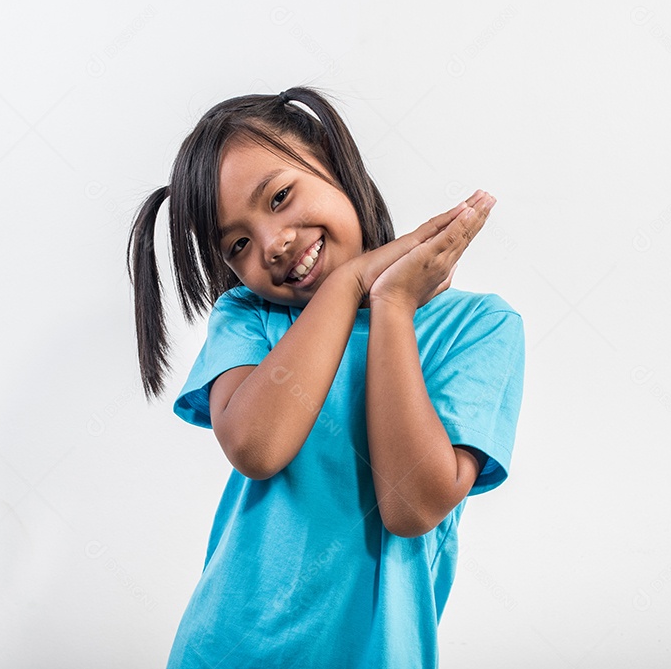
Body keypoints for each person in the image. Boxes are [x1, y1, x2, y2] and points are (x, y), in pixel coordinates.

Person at [127, 86, 525, 668]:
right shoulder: (249, 320)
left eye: (280, 196)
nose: (273, 243)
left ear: (333, 159)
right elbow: (257, 447)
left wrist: (390, 304)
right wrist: (348, 284)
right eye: (238, 243)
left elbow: (411, 506)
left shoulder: (477, 326)